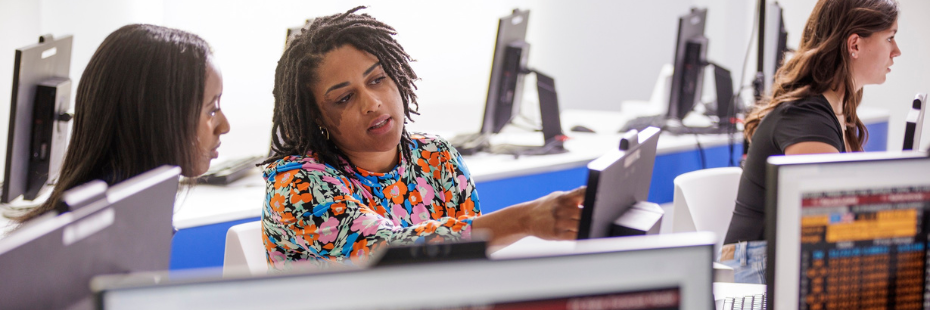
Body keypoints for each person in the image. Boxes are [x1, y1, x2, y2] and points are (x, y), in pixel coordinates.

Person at [261, 6, 585, 268]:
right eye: (345, 98)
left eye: (377, 79)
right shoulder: (297, 186)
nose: (372, 102)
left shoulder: (437, 157)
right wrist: (525, 219)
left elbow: (466, 265)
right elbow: (388, 255)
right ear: (316, 116)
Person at [721, 0, 901, 284]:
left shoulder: (839, 109)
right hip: (755, 268)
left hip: (780, 257)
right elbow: (824, 218)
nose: (896, 51)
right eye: (890, 38)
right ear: (854, 45)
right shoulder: (808, 117)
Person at [14, 24, 231, 223]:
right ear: (156, 119)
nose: (225, 126)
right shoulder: (109, 231)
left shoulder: (136, 209)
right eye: (212, 110)